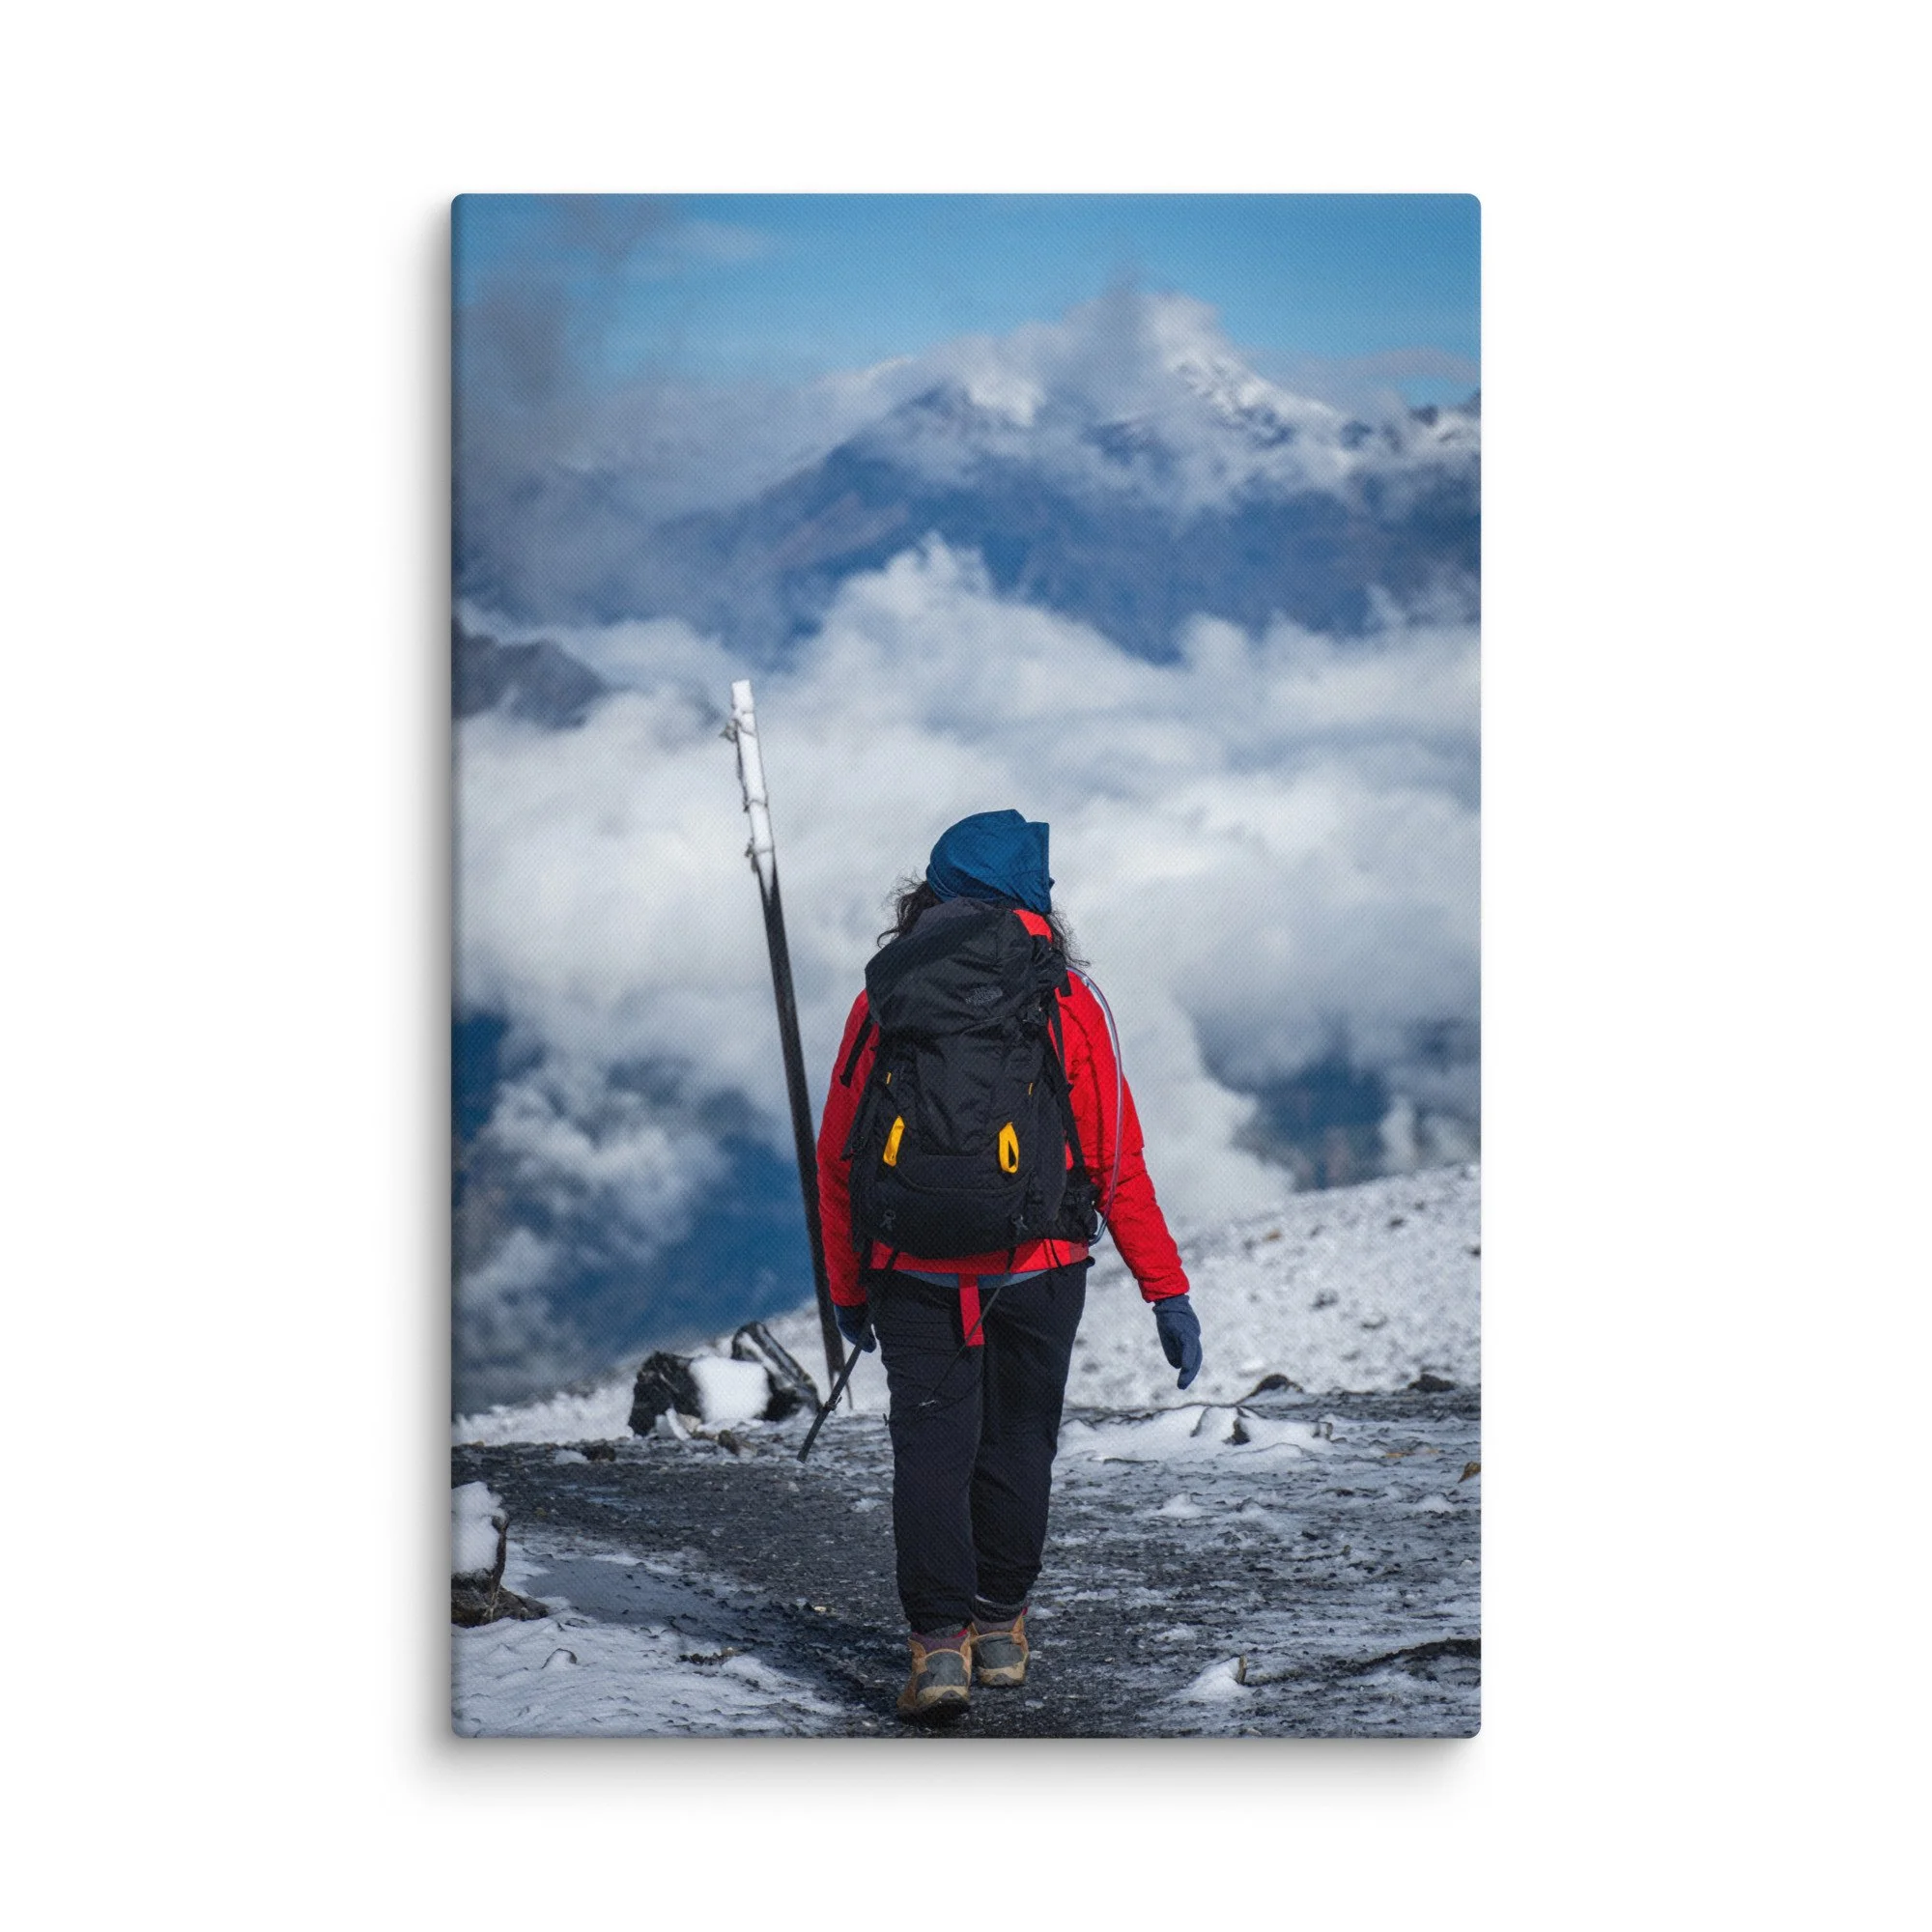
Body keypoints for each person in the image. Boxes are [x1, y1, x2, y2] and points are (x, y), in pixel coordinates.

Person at [815, 809, 1203, 1723]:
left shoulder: (886, 998)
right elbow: (1113, 1158)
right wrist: (1166, 1289)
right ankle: (1001, 1631)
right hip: (1040, 1265)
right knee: (1021, 1442)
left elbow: (840, 1157)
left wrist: (848, 1285)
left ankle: (937, 1649)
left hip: (912, 1269)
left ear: (934, 890)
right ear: (1037, 896)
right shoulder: (1067, 997)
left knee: (931, 1453)